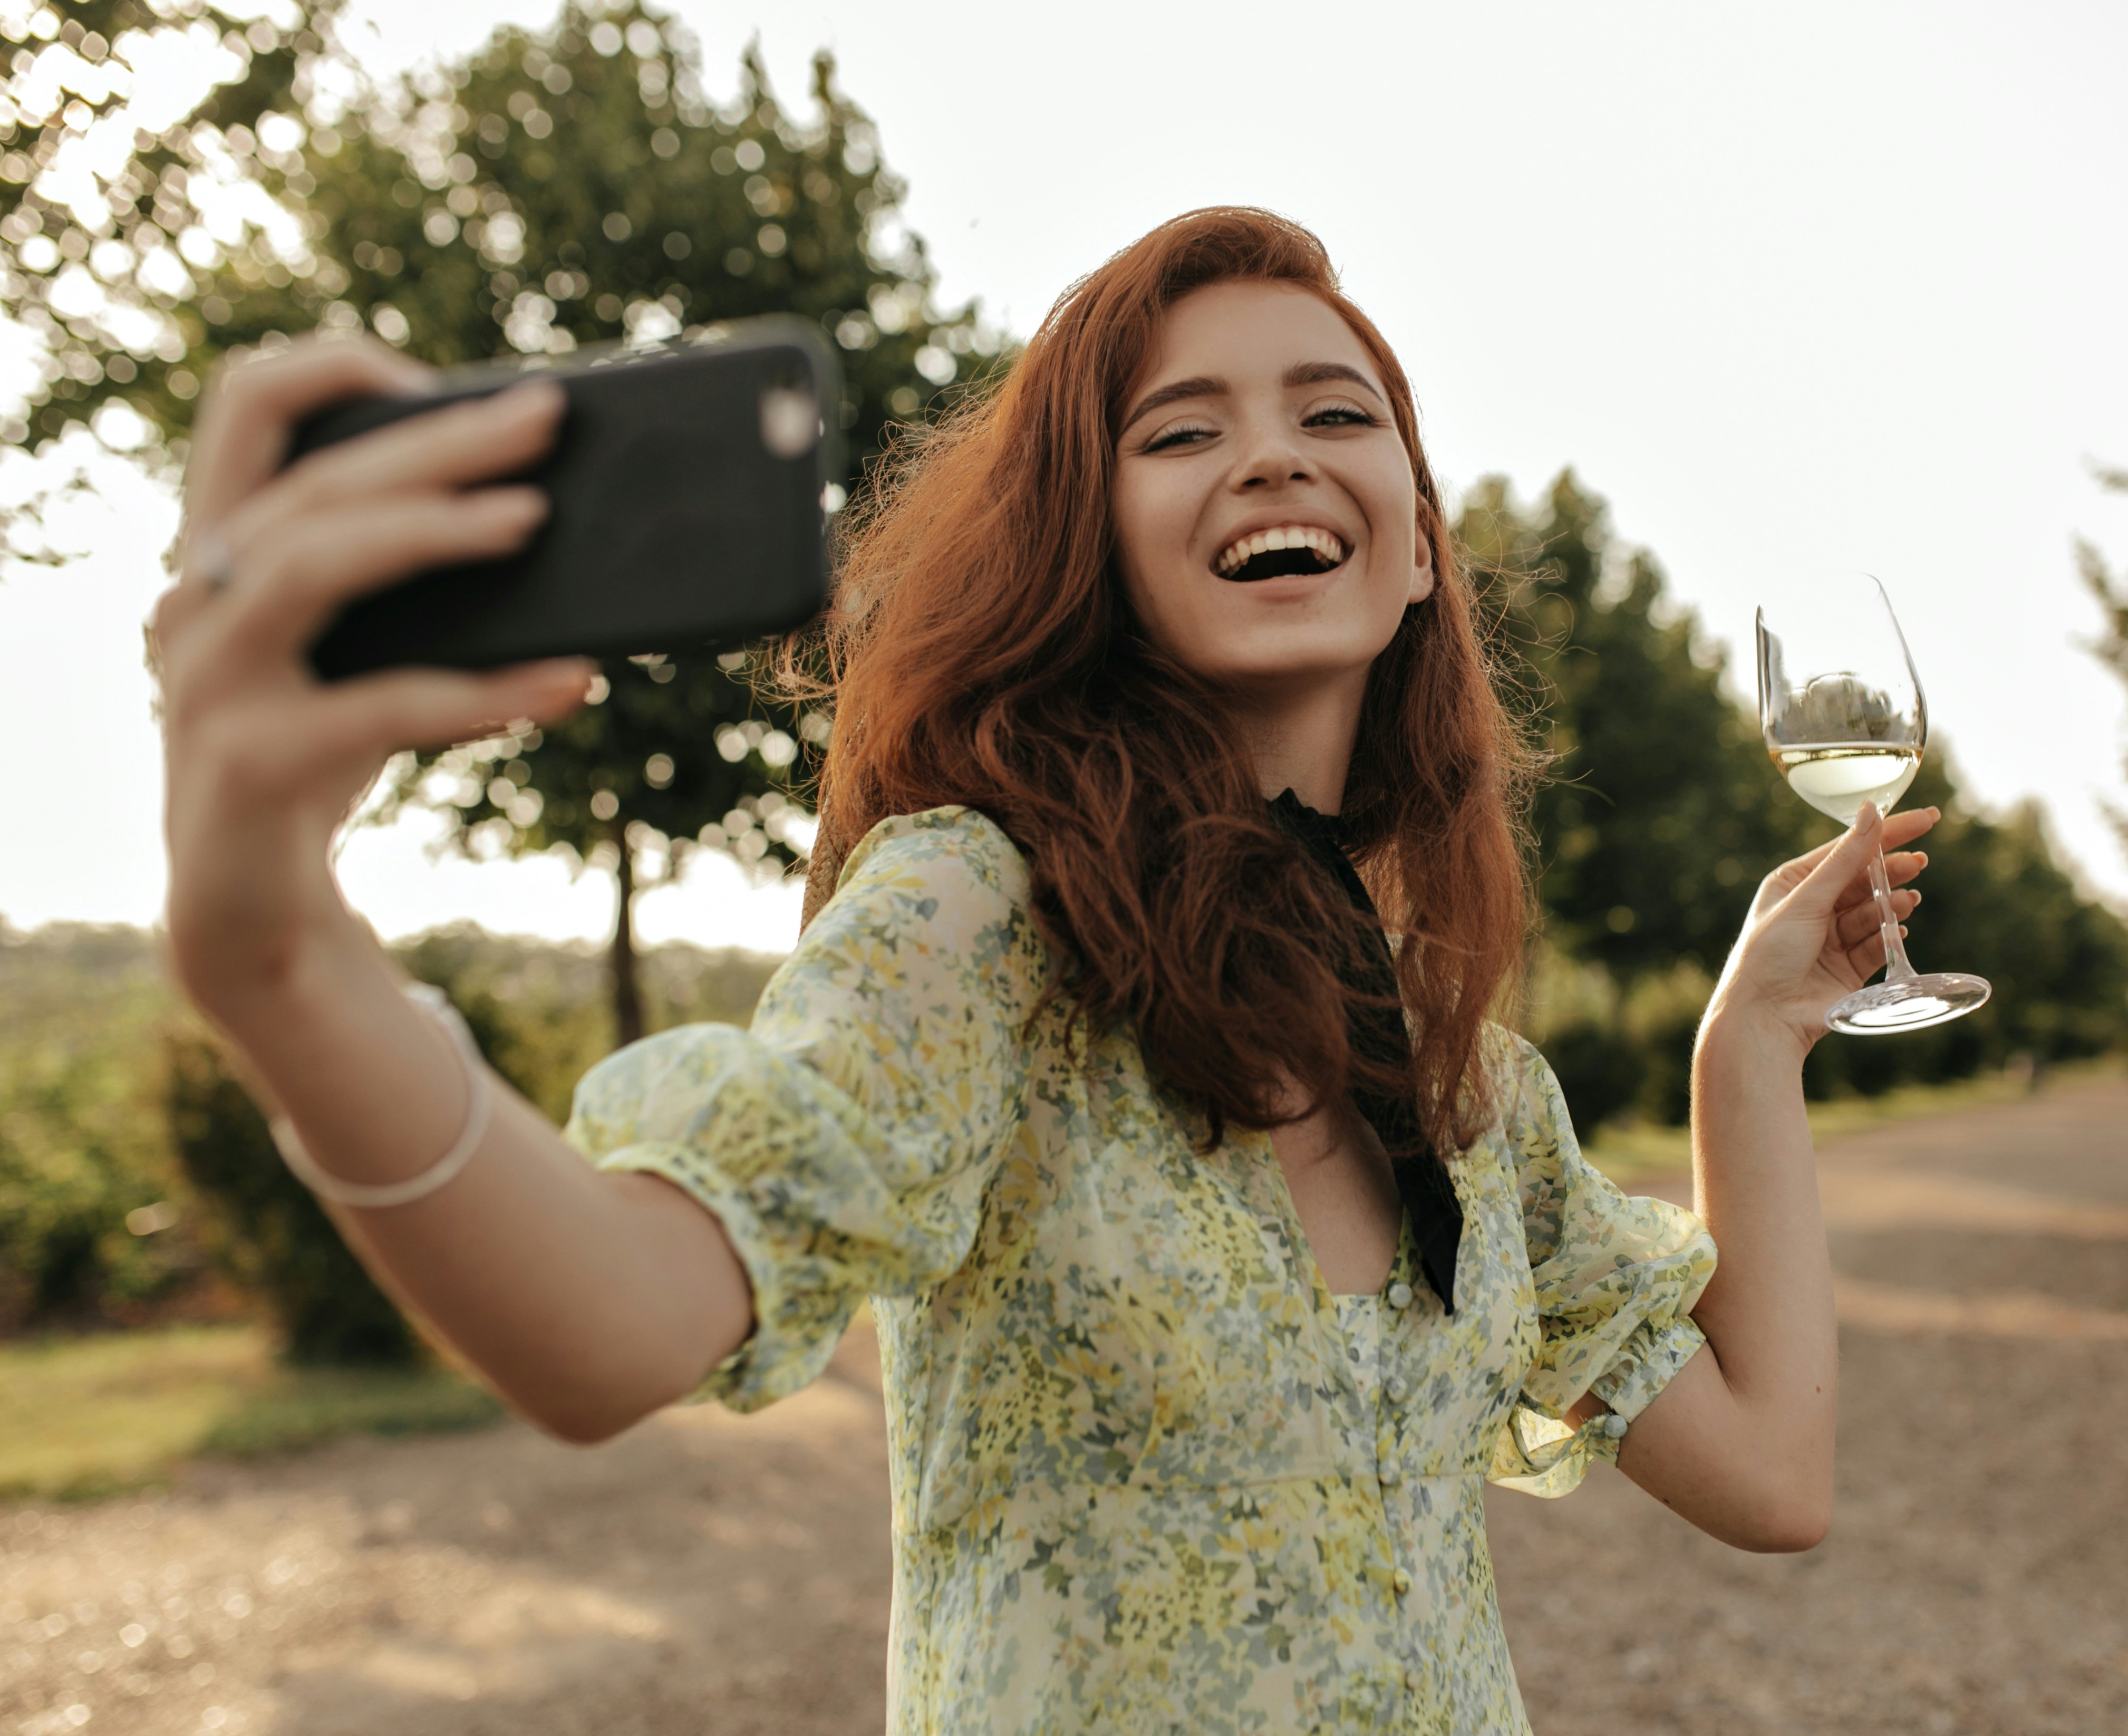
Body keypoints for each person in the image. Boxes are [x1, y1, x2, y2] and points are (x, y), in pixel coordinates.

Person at [150, 207, 1937, 1734]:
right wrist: (277, 951)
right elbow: (608, 1330)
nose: (1272, 452)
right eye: (1178, 431)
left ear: (1409, 555)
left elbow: (1770, 1472)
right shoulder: (979, 916)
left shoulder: (1461, 1083)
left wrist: (1748, 1041)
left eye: (1337, 410)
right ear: (1091, 543)